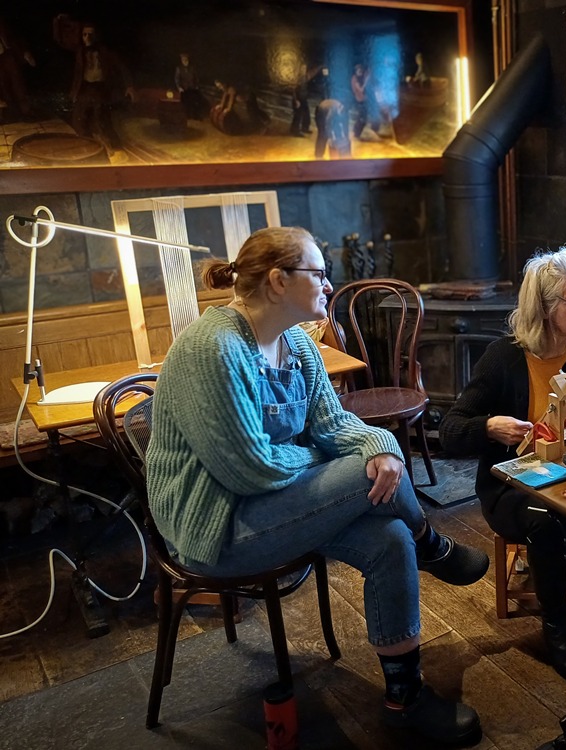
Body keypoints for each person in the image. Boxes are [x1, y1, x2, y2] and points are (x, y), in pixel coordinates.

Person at [145, 226, 488, 746]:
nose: (330, 285)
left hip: (281, 505)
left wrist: (375, 444)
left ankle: (404, 696)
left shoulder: (297, 343)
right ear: (279, 281)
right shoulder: (211, 349)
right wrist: (339, 458)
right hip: (217, 527)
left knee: (388, 534)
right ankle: (432, 545)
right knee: (362, 472)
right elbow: (250, 469)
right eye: (319, 273)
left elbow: (335, 425)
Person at [439, 249, 566, 686]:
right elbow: (450, 430)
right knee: (549, 518)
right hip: (510, 487)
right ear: (545, 309)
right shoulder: (503, 358)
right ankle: (558, 631)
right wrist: (489, 427)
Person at [71, 21, 134, 152]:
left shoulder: (106, 52)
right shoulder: (80, 51)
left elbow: (122, 67)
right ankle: (88, 148)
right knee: (79, 120)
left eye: (90, 35)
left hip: (101, 89)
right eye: (84, 35)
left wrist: (129, 86)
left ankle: (117, 149)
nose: (87, 38)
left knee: (102, 120)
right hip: (85, 89)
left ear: (96, 36)